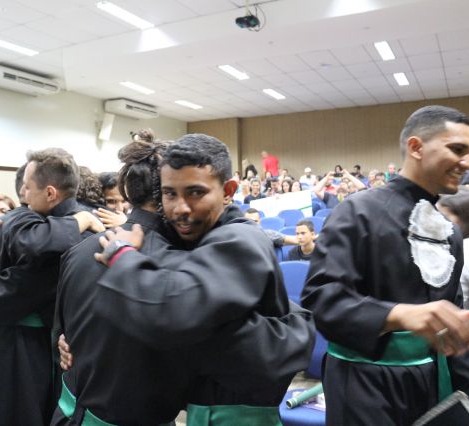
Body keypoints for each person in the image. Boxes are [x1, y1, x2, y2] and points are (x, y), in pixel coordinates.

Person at [92, 134, 314, 425]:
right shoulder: (202, 238)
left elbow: (172, 311)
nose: (180, 208)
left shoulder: (240, 239)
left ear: (228, 191)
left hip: (237, 413)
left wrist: (122, 256)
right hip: (207, 405)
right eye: (170, 194)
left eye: (195, 192)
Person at [301, 105, 469, 426]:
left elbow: (453, 322)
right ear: (416, 147)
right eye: (457, 149)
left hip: (427, 384)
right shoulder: (357, 211)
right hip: (361, 385)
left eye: (468, 153)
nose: (468, 162)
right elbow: (321, 300)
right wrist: (399, 314)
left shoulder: (448, 231)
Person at [0, 149, 103, 426]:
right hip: (40, 340)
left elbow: (14, 287)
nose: (22, 194)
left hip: (22, 343)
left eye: (27, 187)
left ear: (50, 192)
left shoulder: (69, 231)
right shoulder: (34, 220)